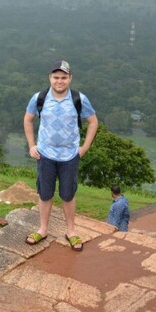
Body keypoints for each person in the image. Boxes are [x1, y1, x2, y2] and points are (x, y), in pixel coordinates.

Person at [23, 60, 99, 251]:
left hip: (70, 156)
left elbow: (93, 122)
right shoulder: (39, 98)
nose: (59, 81)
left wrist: (84, 148)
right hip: (45, 155)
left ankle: (71, 232)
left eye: (64, 77)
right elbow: (28, 119)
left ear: (70, 78)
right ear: (50, 78)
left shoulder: (78, 99)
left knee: (68, 194)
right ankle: (42, 229)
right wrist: (32, 145)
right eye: (56, 77)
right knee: (45, 193)